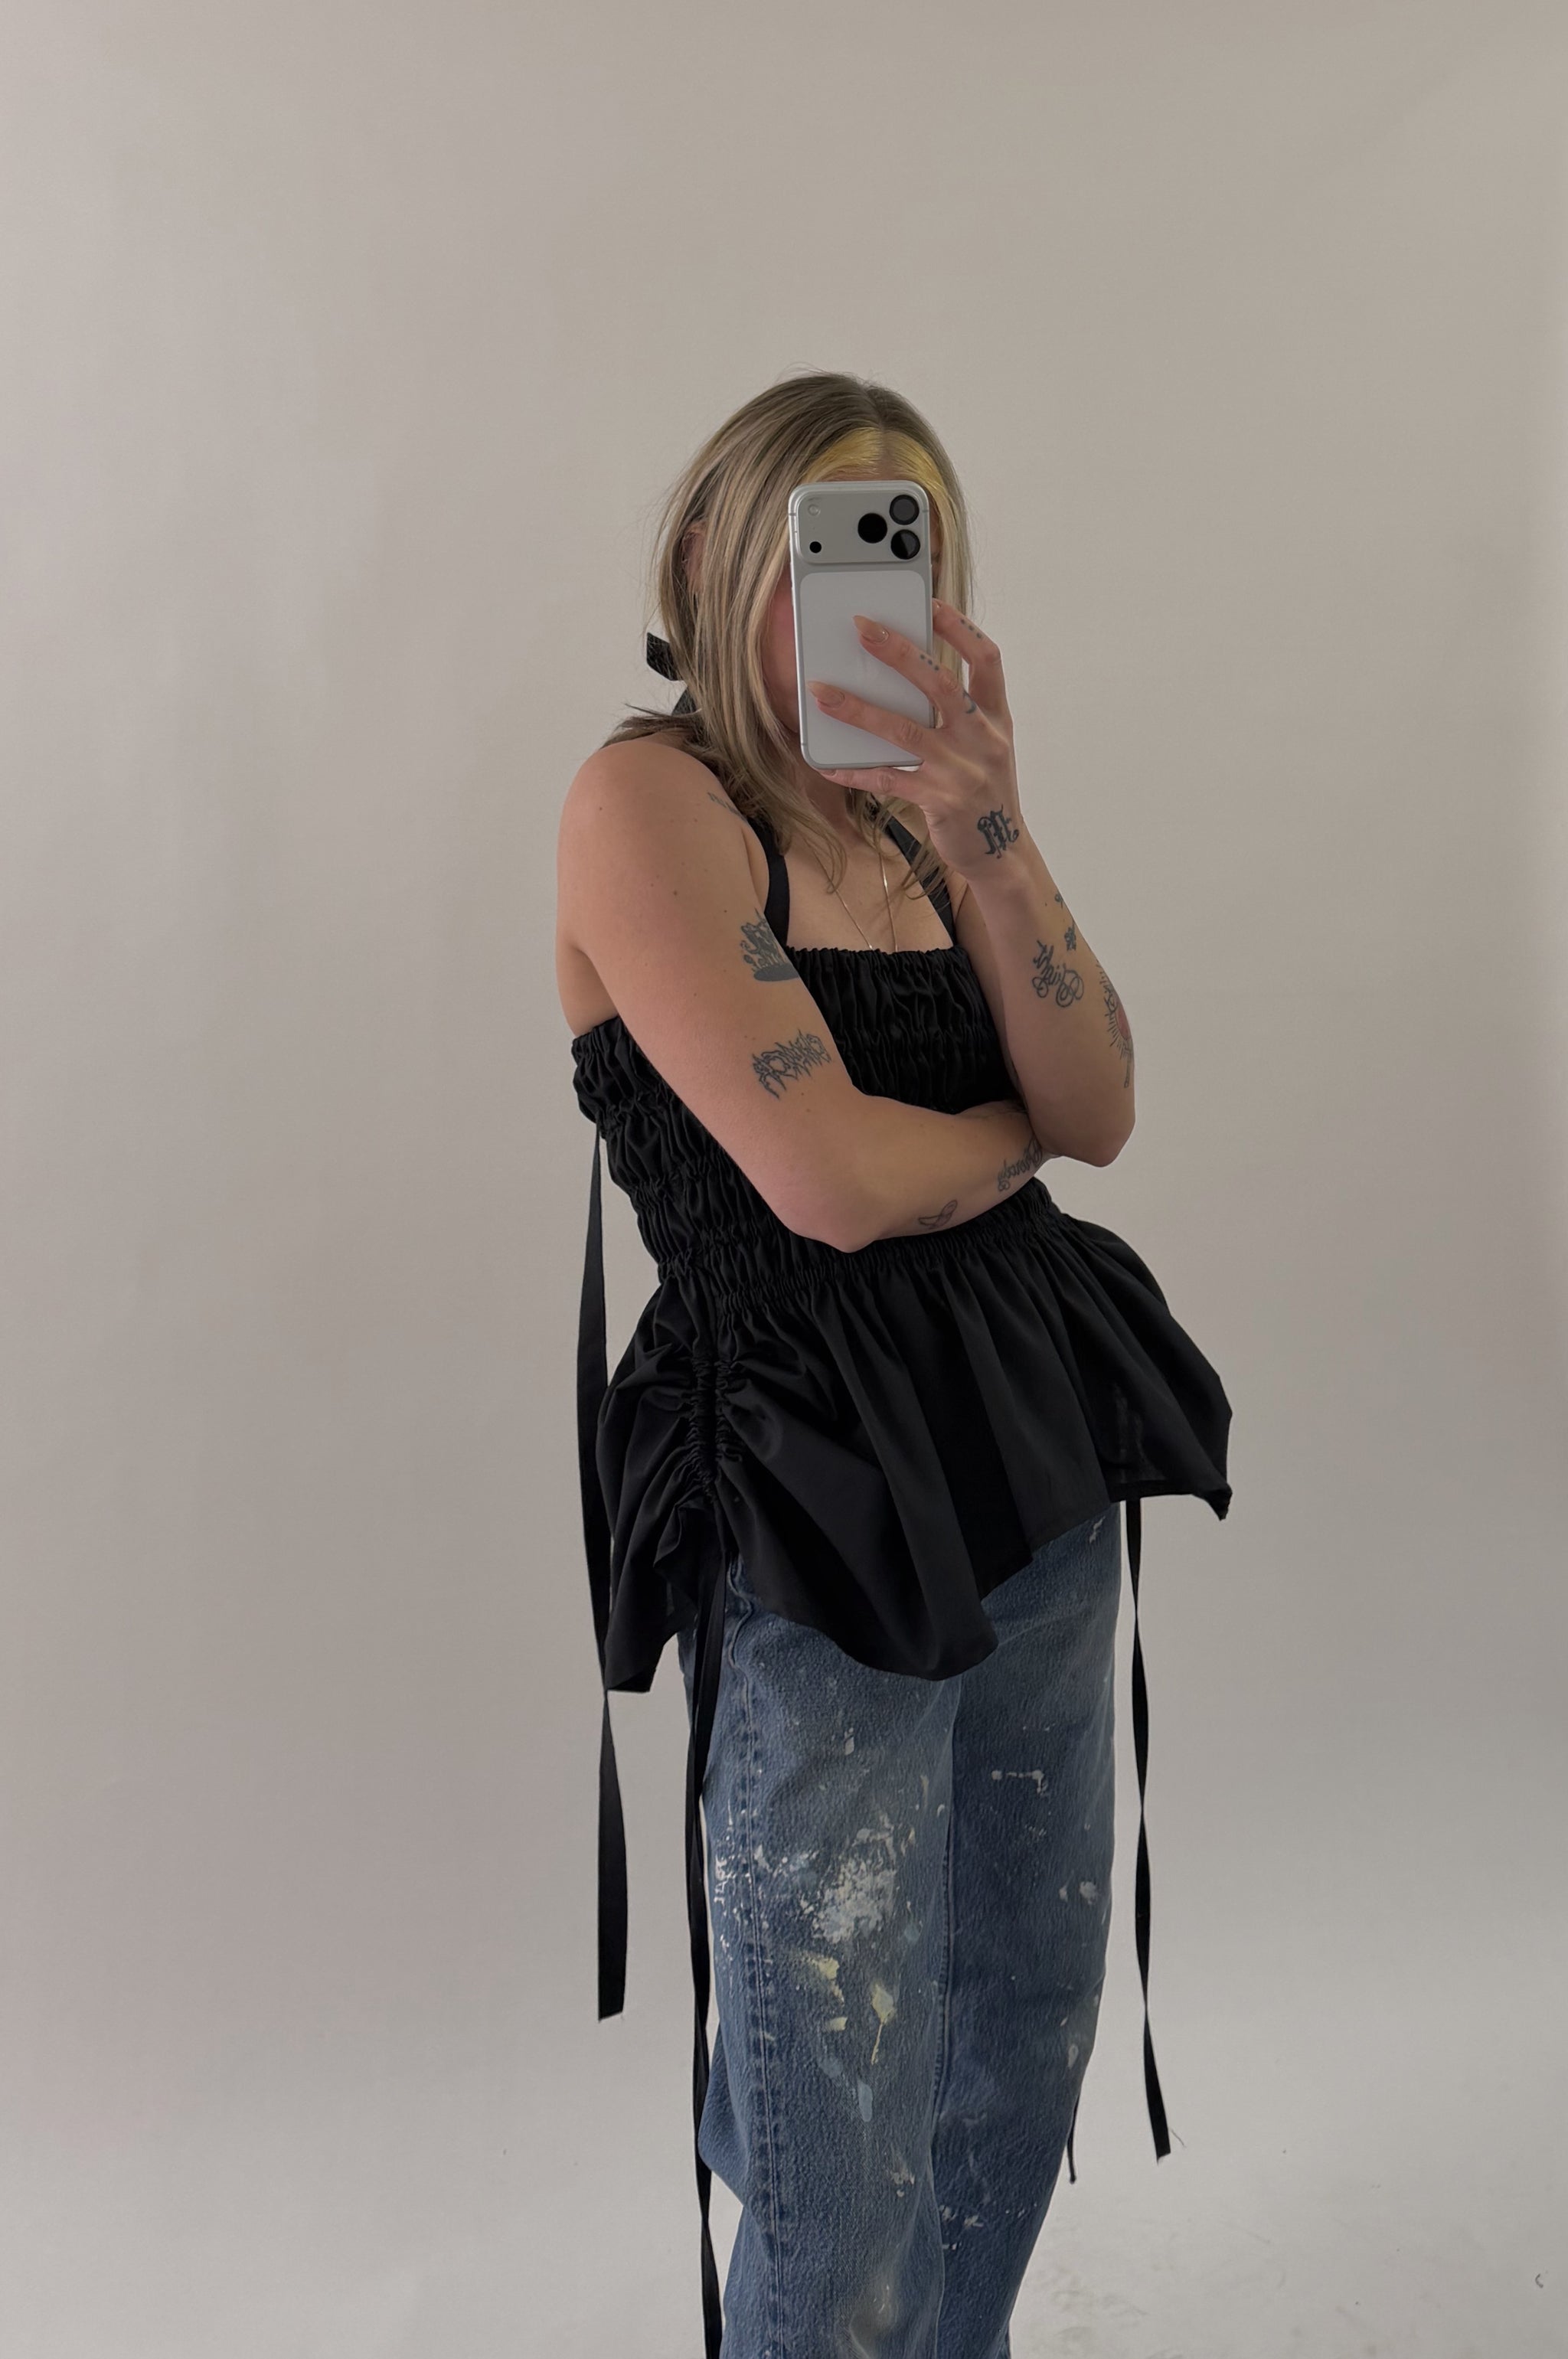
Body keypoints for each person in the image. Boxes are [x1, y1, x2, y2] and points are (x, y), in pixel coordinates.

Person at [557, 371, 1233, 2358]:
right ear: (712, 555)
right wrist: (1001, 1142)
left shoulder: (920, 827)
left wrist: (987, 826)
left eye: (912, 550)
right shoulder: (648, 804)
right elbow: (829, 1186)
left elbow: (1100, 1100)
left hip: (1030, 1455)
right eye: (832, 545)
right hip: (819, 1504)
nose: (886, 601)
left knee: (1016, 2033)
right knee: (834, 2127)